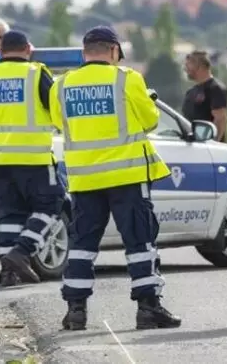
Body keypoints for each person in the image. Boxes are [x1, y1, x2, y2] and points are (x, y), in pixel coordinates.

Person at [49, 26, 181, 331]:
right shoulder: (127, 78)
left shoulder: (62, 84)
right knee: (139, 243)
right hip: (127, 176)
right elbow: (149, 120)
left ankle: (75, 311)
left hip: (84, 180)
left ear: (85, 52)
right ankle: (148, 308)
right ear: (114, 51)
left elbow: (59, 123)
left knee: (82, 245)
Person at [0, 30, 65, 287]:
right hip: (34, 157)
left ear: (0, 52)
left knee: (9, 215)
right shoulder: (35, 73)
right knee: (51, 205)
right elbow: (56, 109)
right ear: (28, 49)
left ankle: (9, 272)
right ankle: (22, 251)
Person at [181, 51, 227, 142]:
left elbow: (220, 120)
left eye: (189, 65)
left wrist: (213, 145)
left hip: (207, 148)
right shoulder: (190, 92)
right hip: (191, 145)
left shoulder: (216, 89)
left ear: (201, 66)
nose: (186, 69)